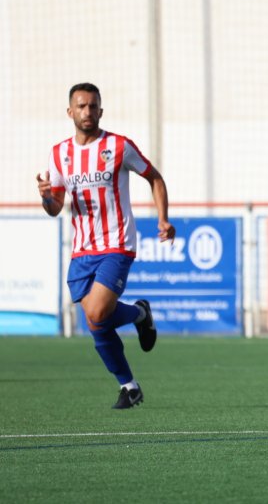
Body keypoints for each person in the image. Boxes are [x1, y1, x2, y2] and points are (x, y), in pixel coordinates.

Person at [36, 82, 175, 408]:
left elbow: (154, 177)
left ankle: (140, 316)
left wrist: (163, 219)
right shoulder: (60, 154)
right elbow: (56, 208)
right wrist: (46, 197)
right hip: (82, 249)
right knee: (96, 322)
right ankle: (130, 385)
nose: (88, 112)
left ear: (101, 109)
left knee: (98, 312)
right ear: (70, 112)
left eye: (93, 106)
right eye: (81, 106)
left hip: (117, 243)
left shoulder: (118, 146)